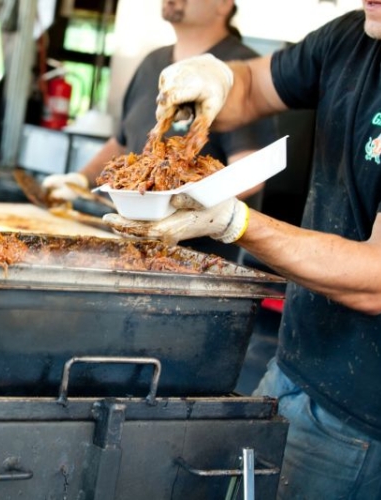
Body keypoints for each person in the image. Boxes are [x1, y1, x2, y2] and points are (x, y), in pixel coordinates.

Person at [104, 4, 381, 498]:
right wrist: (215, 77)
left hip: (357, 418)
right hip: (292, 367)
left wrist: (238, 222)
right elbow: (251, 88)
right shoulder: (351, 36)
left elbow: (376, 280)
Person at [43, 0, 278, 260]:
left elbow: (250, 173)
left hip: (197, 264)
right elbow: (122, 142)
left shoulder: (239, 72)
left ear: (223, 4)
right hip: (130, 252)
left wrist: (185, 203)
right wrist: (80, 179)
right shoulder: (153, 64)